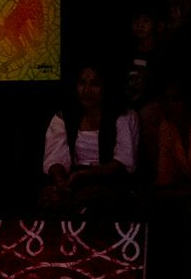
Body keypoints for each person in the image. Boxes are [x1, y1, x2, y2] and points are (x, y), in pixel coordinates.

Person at [39, 64, 138, 210]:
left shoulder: (124, 116)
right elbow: (55, 158)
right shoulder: (64, 117)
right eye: (82, 83)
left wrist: (84, 175)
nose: (87, 90)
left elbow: (123, 162)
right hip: (75, 181)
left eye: (95, 84)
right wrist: (61, 182)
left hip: (111, 182)